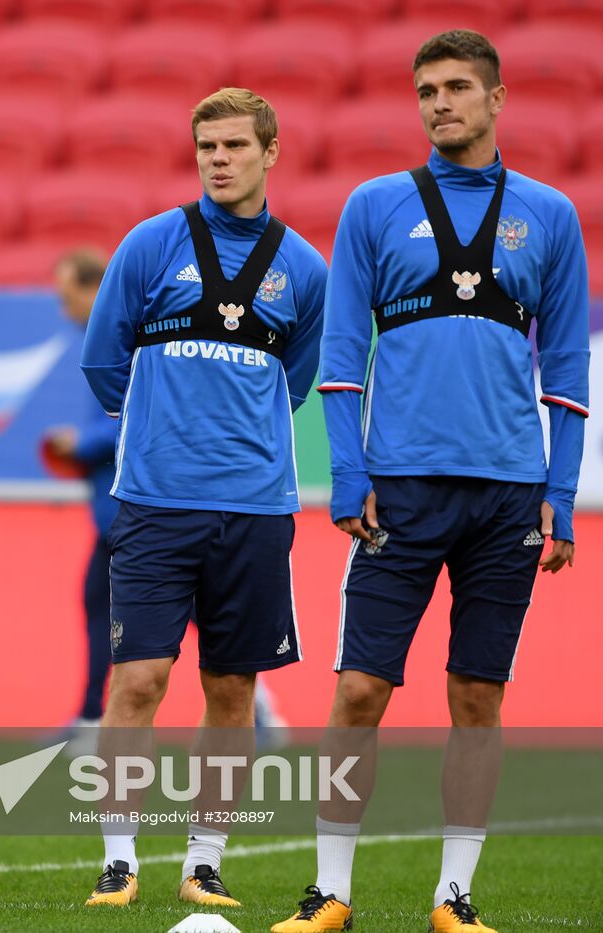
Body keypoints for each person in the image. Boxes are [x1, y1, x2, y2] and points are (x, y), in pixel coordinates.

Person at [271, 30, 589, 933]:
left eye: (456, 88)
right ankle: (331, 891)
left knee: (477, 696)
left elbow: (565, 366)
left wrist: (560, 494)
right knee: (361, 690)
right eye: (425, 90)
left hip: (509, 494)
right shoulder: (373, 206)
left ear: (495, 100)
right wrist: (346, 473)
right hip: (399, 491)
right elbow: (339, 355)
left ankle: (454, 898)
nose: (439, 102)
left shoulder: (550, 214)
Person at [79, 88, 327, 910]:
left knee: (232, 688)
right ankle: (118, 858)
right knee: (139, 678)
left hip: (256, 508)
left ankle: (203, 858)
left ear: (270, 151)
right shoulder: (152, 244)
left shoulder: (306, 268)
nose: (219, 159)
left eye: (233, 145)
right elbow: (103, 361)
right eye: (206, 147)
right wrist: (162, 431)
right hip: (153, 503)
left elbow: (295, 381)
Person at [41, 248, 118, 747]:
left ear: (94, 291)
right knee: (98, 602)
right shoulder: (105, 342)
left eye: (69, 298)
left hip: (129, 509)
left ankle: (93, 722)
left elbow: (132, 418)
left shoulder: (118, 341)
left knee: (184, 610)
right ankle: (90, 718)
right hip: (115, 511)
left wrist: (80, 444)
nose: (64, 309)